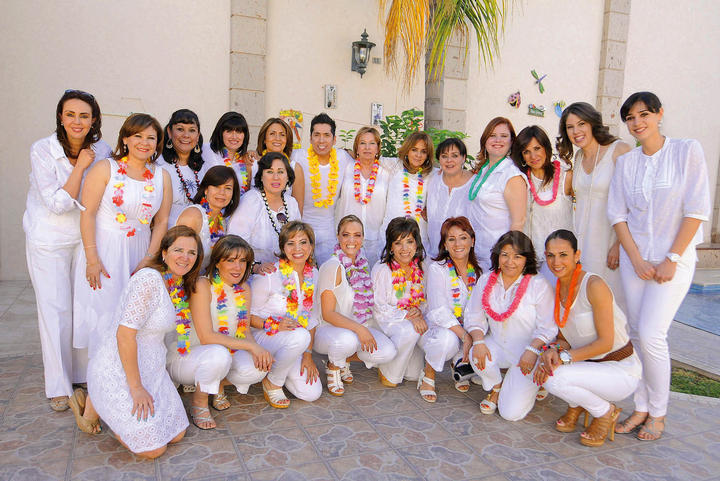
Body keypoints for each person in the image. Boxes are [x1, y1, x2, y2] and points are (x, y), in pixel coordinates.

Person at [608, 91, 711, 441]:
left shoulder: (686, 151)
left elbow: (696, 209)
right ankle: (641, 407)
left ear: (659, 114)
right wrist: (635, 258)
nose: (637, 123)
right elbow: (618, 214)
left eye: (644, 115)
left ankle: (659, 412)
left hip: (674, 261)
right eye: (631, 118)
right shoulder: (627, 163)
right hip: (634, 262)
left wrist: (672, 259)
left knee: (653, 334)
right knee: (636, 334)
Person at [71, 226, 202, 458]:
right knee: (153, 449)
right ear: (164, 253)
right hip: (120, 369)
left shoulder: (175, 284)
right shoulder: (148, 279)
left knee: (177, 434)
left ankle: (94, 402)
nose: (185, 257)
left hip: (151, 368)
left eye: (192, 252)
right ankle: (97, 400)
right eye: (178, 250)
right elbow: (124, 334)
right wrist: (136, 388)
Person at [24, 89, 112, 411]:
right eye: (71, 114)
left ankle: (81, 374)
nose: (77, 121)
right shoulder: (43, 150)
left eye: (84, 116)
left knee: (83, 306)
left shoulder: (101, 148)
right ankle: (58, 385)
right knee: (55, 309)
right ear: (61, 117)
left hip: (84, 237)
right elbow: (59, 203)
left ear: (93, 120)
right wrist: (81, 167)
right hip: (48, 239)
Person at [73, 113, 172, 361]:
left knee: (135, 314)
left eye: (151, 137)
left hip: (140, 253)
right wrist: (92, 259)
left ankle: (130, 372)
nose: (144, 142)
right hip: (104, 250)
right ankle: (98, 376)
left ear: (158, 143)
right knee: (105, 313)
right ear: (125, 138)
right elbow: (87, 215)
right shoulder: (106, 168)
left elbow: (161, 222)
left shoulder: (162, 176)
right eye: (138, 135)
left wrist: (150, 258)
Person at [535, 229, 641, 447]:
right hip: (588, 366)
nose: (556, 262)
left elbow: (606, 343)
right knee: (547, 364)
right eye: (550, 255)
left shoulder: (594, 285)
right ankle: (578, 404)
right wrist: (553, 350)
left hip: (619, 368)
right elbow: (565, 338)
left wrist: (563, 358)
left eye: (563, 254)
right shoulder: (558, 288)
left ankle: (605, 412)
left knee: (553, 377)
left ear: (576, 255)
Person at [172, 235, 271, 429]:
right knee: (219, 353)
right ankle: (198, 402)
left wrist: (256, 349)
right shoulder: (203, 285)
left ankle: (216, 384)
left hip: (222, 355)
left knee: (257, 367)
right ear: (217, 263)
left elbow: (244, 330)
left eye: (243, 261)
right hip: (188, 356)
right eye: (231, 260)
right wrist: (251, 346)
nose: (238, 267)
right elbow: (206, 337)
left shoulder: (243, 288)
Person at [465, 231, 557, 420]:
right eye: (504, 255)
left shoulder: (538, 284)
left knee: (510, 414)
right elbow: (473, 316)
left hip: (528, 353)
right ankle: (497, 387)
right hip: (497, 345)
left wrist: (533, 350)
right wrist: (479, 342)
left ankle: (534, 383)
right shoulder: (487, 279)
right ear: (497, 256)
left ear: (527, 259)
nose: (510, 262)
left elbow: (548, 327)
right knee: (477, 354)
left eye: (517, 256)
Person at [557, 102, 631, 311]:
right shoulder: (579, 157)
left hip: (610, 240)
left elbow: (634, 204)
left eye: (581, 124)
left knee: (613, 301)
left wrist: (619, 244)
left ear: (592, 123)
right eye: (570, 127)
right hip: (583, 241)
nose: (576, 131)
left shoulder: (619, 150)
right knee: (586, 299)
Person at [315, 215, 397, 396]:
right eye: (346, 235)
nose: (352, 241)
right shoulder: (332, 266)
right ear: (338, 237)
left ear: (363, 238)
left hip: (354, 327)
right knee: (348, 340)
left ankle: (342, 358)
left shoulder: (362, 263)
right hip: (329, 330)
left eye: (357, 235)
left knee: (387, 352)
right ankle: (334, 366)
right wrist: (360, 330)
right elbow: (328, 314)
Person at [249, 221, 323, 407]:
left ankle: (281, 365)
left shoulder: (313, 273)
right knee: (299, 335)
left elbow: (311, 318)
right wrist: (272, 324)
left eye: (303, 242)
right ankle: (272, 381)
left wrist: (307, 355)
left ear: (311, 246)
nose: (297, 248)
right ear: (283, 247)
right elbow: (245, 318)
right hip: (262, 337)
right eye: (291, 243)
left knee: (312, 393)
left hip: (295, 341)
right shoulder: (269, 275)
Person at [417, 216, 481, 402]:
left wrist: (474, 334)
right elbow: (438, 311)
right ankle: (428, 374)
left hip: (467, 326)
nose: (457, 243)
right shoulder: (438, 269)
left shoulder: (480, 271)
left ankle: (459, 362)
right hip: (438, 329)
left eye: (463, 237)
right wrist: (465, 336)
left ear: (472, 241)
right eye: (451, 239)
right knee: (447, 341)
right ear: (445, 244)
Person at [371, 217, 428, 387]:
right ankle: (389, 372)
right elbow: (378, 307)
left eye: (409, 242)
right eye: (398, 243)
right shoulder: (382, 270)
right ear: (390, 247)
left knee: (413, 374)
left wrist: (418, 311)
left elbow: (425, 300)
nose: (404, 249)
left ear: (416, 244)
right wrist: (407, 315)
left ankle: (402, 363)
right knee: (410, 330)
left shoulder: (422, 268)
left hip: (409, 324)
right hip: (384, 323)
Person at [512, 125, 573, 281]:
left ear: (546, 147)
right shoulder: (519, 180)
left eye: (537, 148)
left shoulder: (566, 178)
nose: (533, 156)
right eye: (526, 151)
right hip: (527, 260)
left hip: (557, 262)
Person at [292, 113, 354, 263]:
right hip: (301, 230)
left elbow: (365, 163)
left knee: (329, 276)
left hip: (329, 233)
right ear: (310, 138)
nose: (321, 140)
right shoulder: (297, 156)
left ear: (334, 139)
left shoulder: (343, 158)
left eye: (326, 135)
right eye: (317, 135)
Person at [467, 117, 527, 270]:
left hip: (497, 257)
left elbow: (518, 223)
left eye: (504, 136)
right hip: (476, 253)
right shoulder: (484, 169)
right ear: (485, 139)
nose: (497, 140)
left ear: (512, 141)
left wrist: (509, 259)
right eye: (492, 135)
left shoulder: (512, 176)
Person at [228, 152, 301, 271]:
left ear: (288, 176)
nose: (276, 177)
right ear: (261, 176)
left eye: (281, 172)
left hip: (285, 274)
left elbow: (299, 241)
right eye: (270, 172)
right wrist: (255, 267)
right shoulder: (251, 201)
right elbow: (234, 243)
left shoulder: (292, 203)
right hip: (252, 273)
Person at [335, 127, 392, 266]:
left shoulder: (387, 172)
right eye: (362, 143)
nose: (367, 147)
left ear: (378, 148)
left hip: (376, 240)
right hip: (348, 239)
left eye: (372, 143)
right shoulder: (346, 167)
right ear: (356, 147)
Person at [175, 165, 240, 272]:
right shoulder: (194, 215)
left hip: (204, 282)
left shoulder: (222, 222)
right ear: (206, 190)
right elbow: (177, 255)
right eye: (216, 186)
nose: (222, 193)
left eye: (228, 188)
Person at [380, 132, 436, 250]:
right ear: (407, 150)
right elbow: (369, 157)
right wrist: (349, 152)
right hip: (392, 233)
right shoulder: (395, 165)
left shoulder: (433, 174)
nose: (418, 155)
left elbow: (454, 175)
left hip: (418, 235)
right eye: (414, 149)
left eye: (423, 151)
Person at [156, 109, 209, 226]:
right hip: (166, 232)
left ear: (198, 135)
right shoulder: (158, 164)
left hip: (195, 234)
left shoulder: (203, 167)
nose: (186, 135)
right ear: (169, 132)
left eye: (192, 130)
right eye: (180, 129)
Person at [426, 138, 473, 259]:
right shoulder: (432, 178)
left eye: (455, 155)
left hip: (462, 256)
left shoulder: (475, 183)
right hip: (432, 254)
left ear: (463, 158)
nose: (449, 160)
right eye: (444, 156)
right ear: (439, 160)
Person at [256, 117, 305, 212]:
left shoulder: (295, 168)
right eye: (272, 134)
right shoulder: (253, 164)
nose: (277, 138)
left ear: (287, 140)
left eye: (282, 135)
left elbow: (298, 210)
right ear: (264, 140)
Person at [202, 111, 256, 197]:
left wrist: (248, 169)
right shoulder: (206, 150)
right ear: (221, 132)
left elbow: (249, 193)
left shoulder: (248, 160)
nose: (234, 137)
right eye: (229, 131)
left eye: (239, 132)